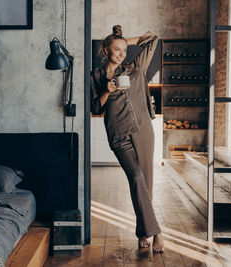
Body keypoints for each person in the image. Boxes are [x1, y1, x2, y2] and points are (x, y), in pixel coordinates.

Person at [91, 25, 164, 253]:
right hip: (118, 134)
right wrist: (107, 91)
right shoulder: (96, 75)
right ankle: (158, 233)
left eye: (123, 50)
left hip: (143, 131)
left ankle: (142, 232)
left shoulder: (135, 68)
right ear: (106, 51)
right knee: (136, 177)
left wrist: (125, 40)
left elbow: (152, 39)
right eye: (116, 49)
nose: (121, 54)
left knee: (145, 184)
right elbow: (95, 106)